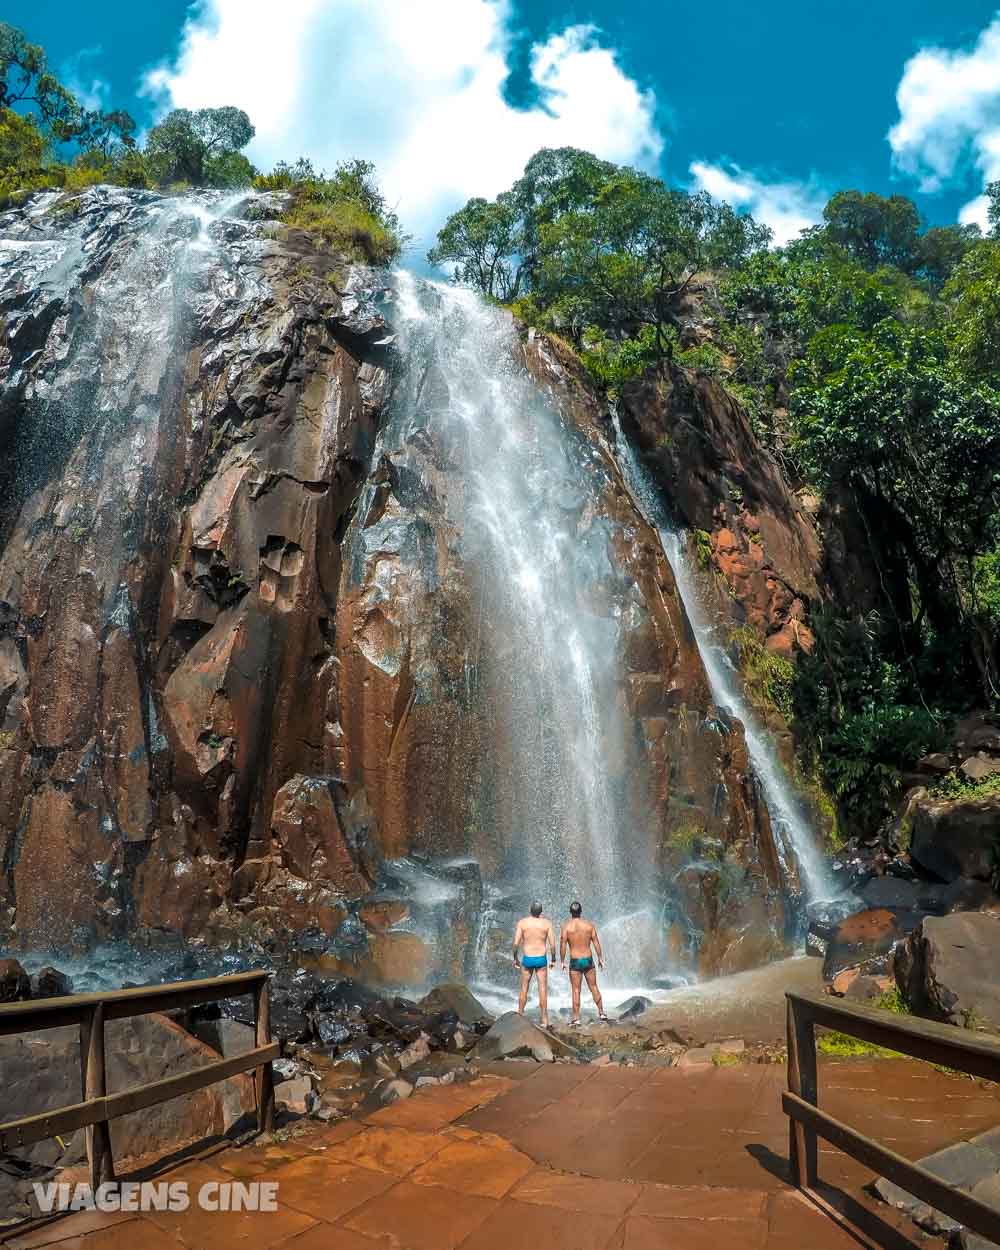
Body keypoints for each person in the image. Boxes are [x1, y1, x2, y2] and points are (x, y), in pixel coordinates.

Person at [560, 900, 608, 1025]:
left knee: (576, 990)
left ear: (571, 912)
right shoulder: (589, 925)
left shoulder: (566, 927)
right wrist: (600, 958)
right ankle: (602, 1013)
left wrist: (562, 961)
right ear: (581, 911)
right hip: (588, 959)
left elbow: (563, 944)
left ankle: (576, 1019)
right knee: (594, 986)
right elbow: (596, 942)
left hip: (575, 961)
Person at [512, 901, 556, 1029]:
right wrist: (553, 960)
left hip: (527, 958)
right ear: (541, 911)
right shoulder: (546, 923)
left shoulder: (522, 923)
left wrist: (515, 958)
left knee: (524, 987)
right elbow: (552, 945)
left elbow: (515, 944)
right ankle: (544, 1019)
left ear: (530, 910)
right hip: (541, 959)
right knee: (542, 989)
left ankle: (520, 1014)